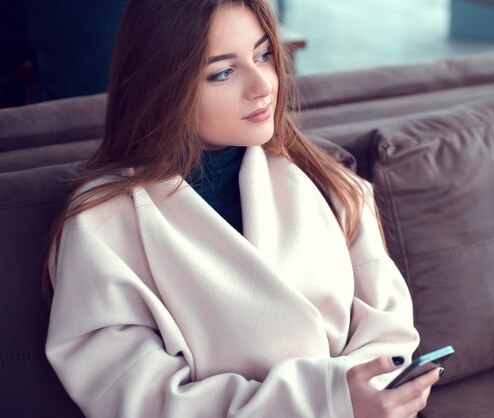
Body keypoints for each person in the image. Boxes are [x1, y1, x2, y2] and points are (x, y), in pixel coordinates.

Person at [43, 1, 441, 416]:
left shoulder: (332, 183)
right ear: (159, 85)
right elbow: (137, 398)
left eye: (264, 54)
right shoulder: (102, 222)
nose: (263, 85)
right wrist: (327, 402)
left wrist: (371, 393)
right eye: (223, 72)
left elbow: (390, 332)